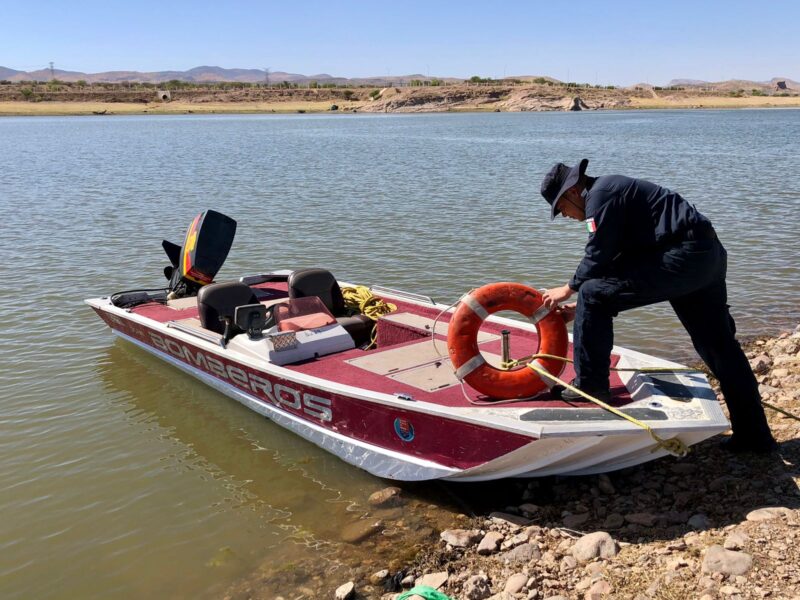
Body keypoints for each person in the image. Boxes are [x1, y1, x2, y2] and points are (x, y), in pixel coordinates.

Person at [539, 159, 776, 453]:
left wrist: (568, 289)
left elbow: (597, 253)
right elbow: (619, 261)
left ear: (573, 191)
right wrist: (581, 308)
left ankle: (590, 385)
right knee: (718, 347)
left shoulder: (600, 195)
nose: (565, 216)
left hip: (683, 257)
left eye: (561, 208)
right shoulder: (610, 191)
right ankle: (755, 437)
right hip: (704, 255)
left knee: (592, 292)